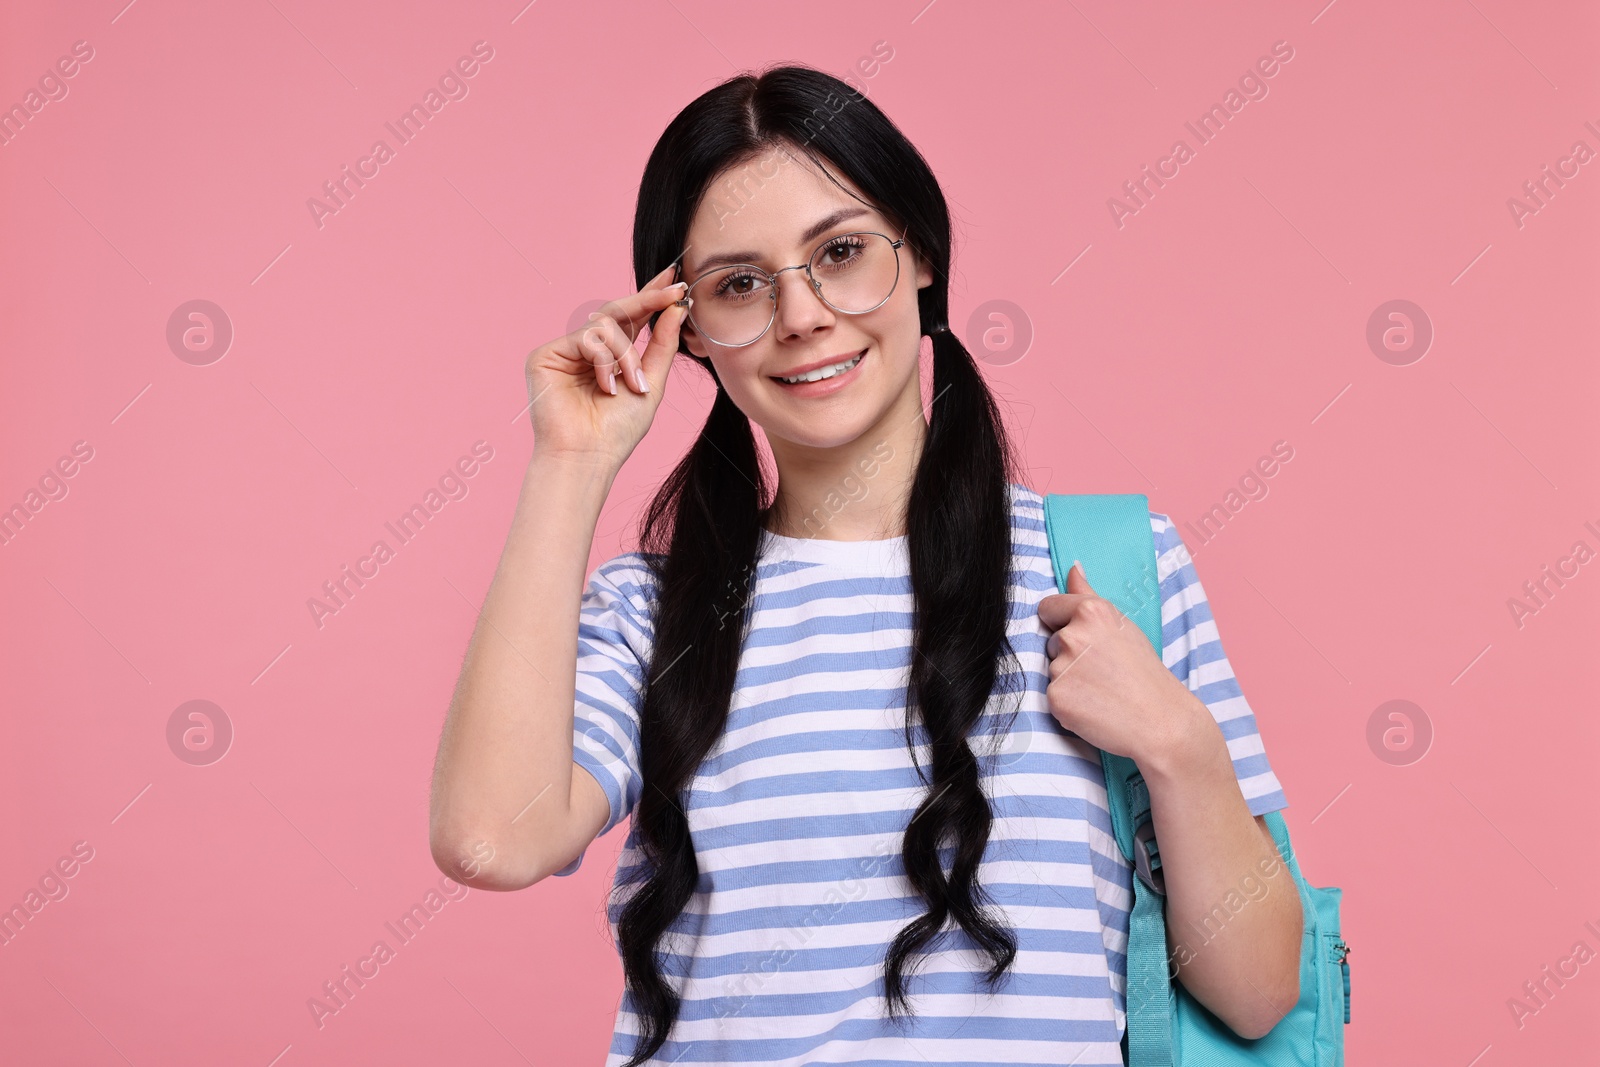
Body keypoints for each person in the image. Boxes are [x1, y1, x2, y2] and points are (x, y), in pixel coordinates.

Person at [429, 64, 1302, 1067]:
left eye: (839, 253)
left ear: (920, 255)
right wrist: (571, 461)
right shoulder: (653, 614)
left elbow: (1257, 990)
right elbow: (486, 841)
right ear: (691, 331)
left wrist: (1178, 744)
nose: (800, 315)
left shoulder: (1107, 568)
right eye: (739, 284)